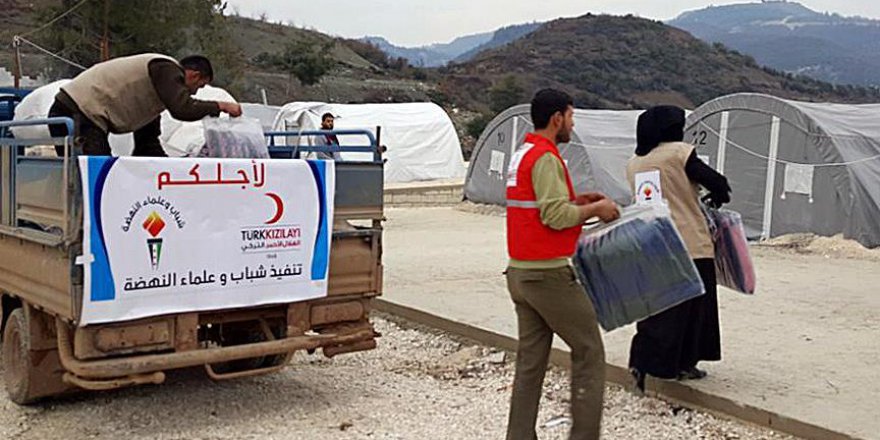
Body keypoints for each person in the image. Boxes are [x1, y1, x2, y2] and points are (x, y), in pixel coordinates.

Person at [505, 88, 620, 440]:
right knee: (589, 351)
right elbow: (555, 216)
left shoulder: (523, 153)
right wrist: (596, 209)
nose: (572, 123)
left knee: (531, 363)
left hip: (520, 273)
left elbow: (540, 206)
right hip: (549, 275)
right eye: (571, 116)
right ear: (557, 118)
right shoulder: (546, 157)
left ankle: (519, 435)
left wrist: (577, 201)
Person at [625, 105, 732, 392]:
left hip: (651, 245)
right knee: (692, 310)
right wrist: (719, 194)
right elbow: (717, 181)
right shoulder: (678, 153)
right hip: (688, 243)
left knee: (658, 308)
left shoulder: (634, 163)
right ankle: (682, 365)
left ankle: (642, 360)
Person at [48, 53, 242, 157]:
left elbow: (147, 146)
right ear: (194, 75)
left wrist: (170, 169)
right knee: (96, 172)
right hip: (76, 110)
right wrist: (220, 106)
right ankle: (89, 226)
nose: (195, 92)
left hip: (82, 114)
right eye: (199, 86)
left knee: (94, 172)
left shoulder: (152, 96)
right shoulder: (167, 69)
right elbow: (182, 109)